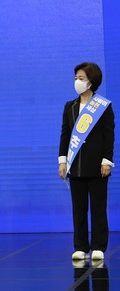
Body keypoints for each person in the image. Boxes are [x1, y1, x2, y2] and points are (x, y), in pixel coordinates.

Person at [58, 62, 114, 262]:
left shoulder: (103, 106)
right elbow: (65, 135)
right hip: (76, 165)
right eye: (75, 78)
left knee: (98, 207)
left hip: (98, 166)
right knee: (78, 208)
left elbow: (109, 136)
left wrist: (107, 161)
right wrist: (62, 161)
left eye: (81, 78)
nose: (77, 81)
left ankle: (99, 246)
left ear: (91, 82)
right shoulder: (70, 107)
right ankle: (81, 246)